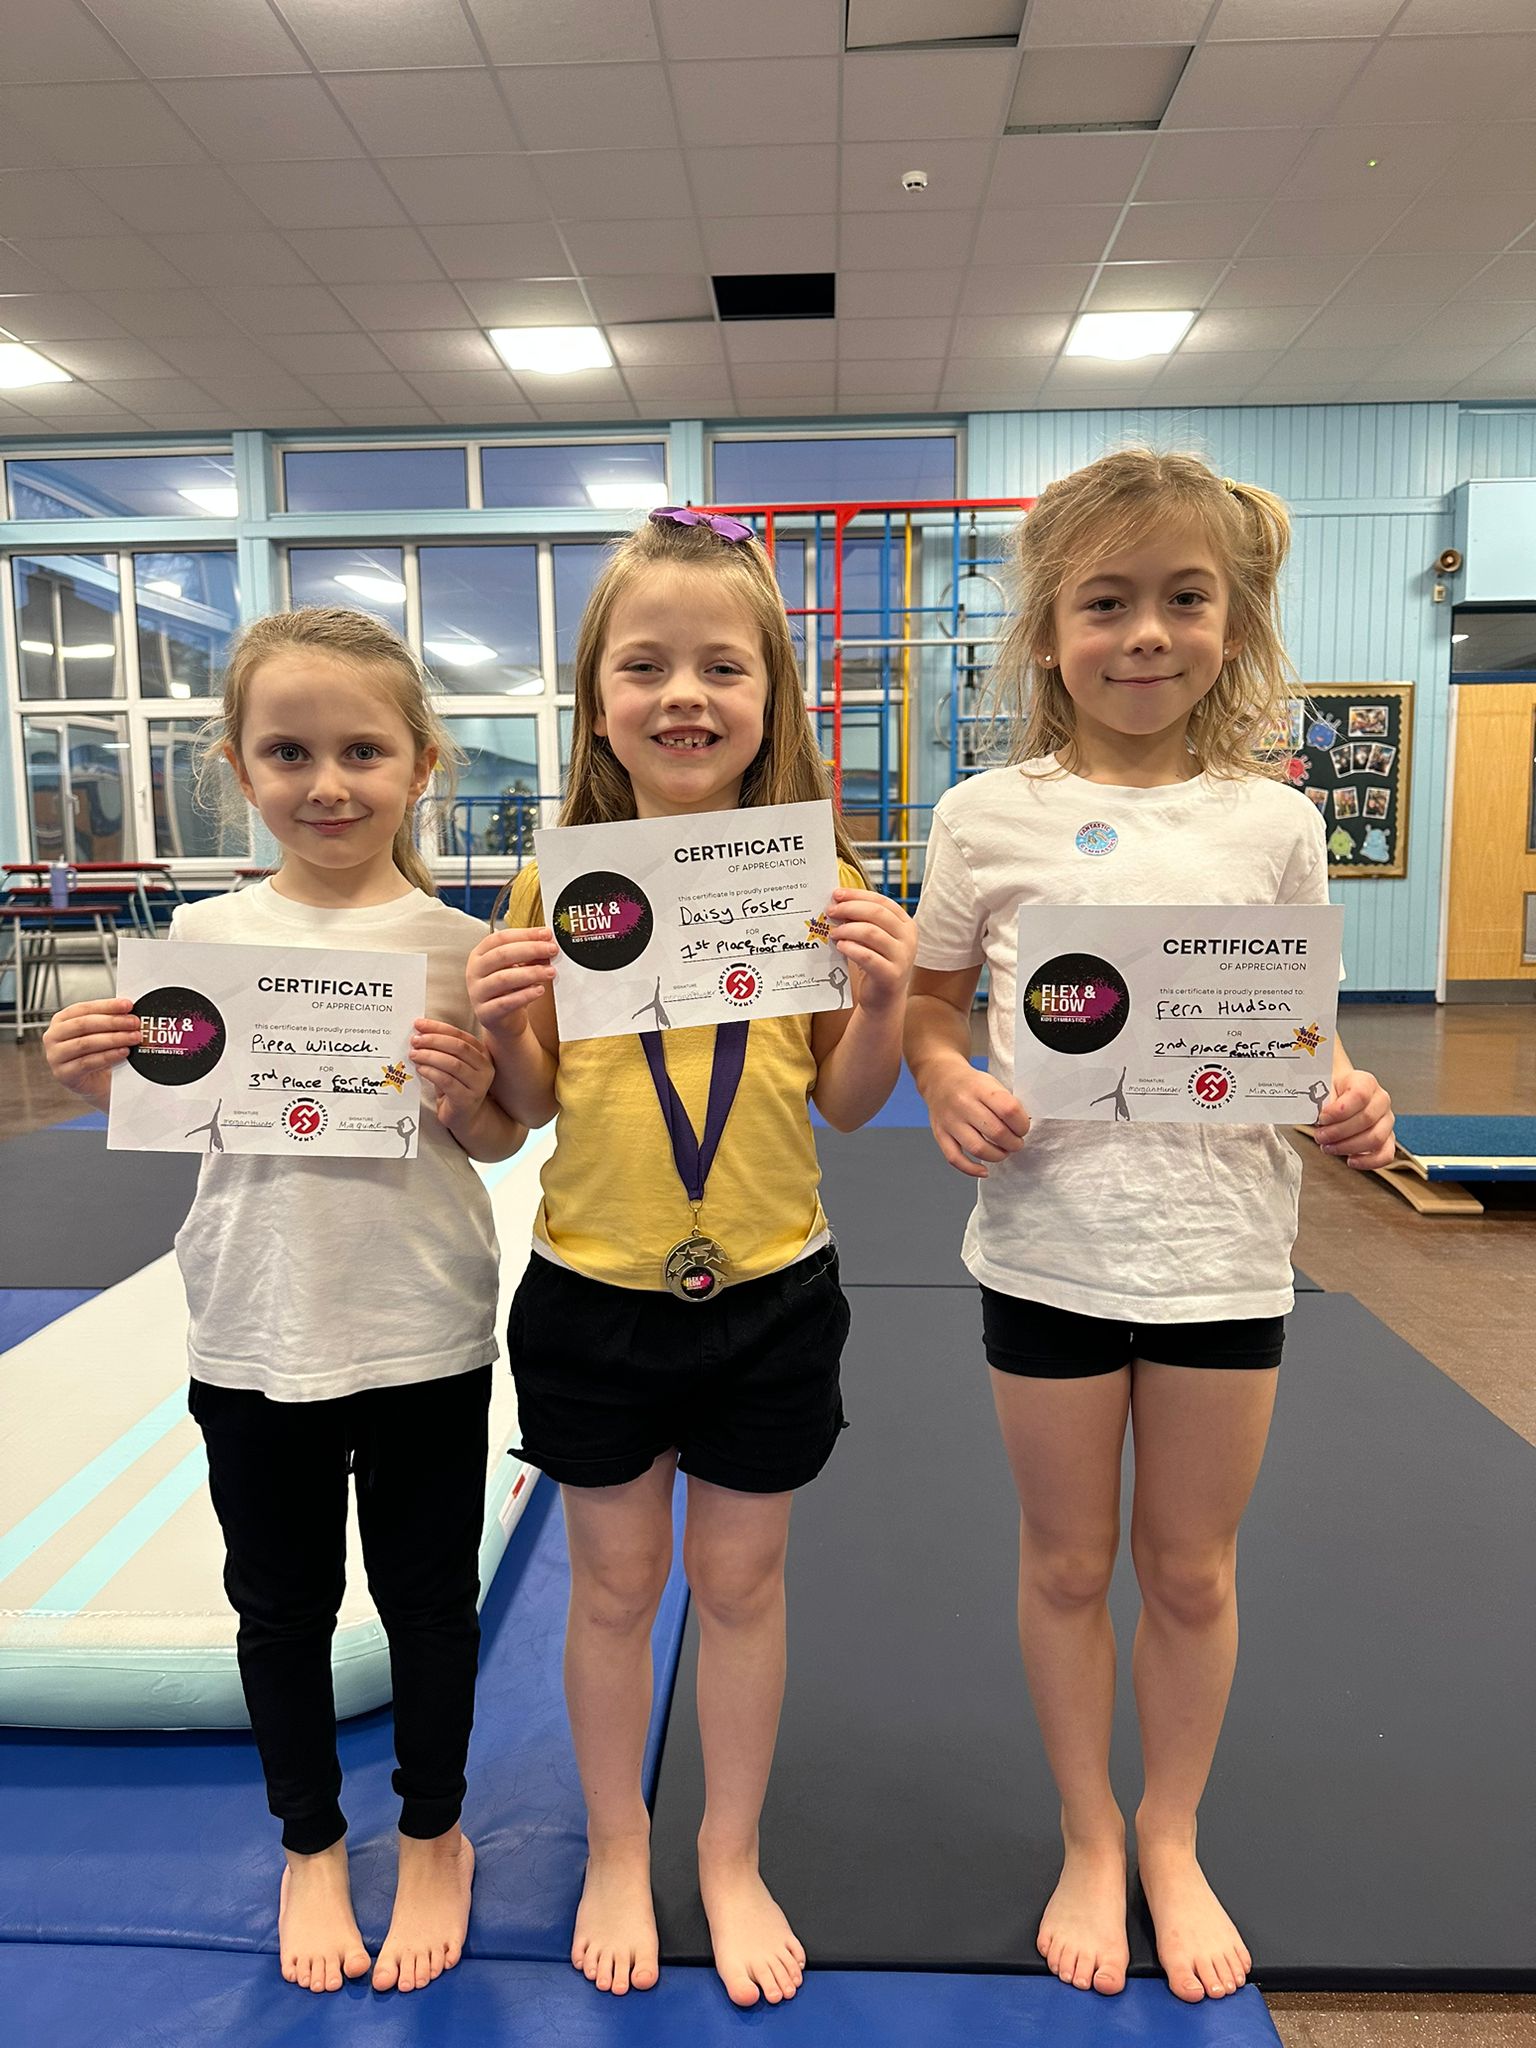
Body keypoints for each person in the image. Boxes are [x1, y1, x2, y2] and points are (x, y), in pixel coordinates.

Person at [904, 452, 1394, 2005]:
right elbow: (926, 1005)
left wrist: (1353, 1095)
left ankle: (1170, 1833)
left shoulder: (1273, 824)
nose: (1144, 635)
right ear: (1047, 628)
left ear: (1234, 624)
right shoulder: (989, 817)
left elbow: (1299, 1036)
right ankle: (1088, 1832)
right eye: (1105, 603)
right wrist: (944, 1080)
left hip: (1224, 1255)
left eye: (1184, 600)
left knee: (1190, 1571)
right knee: (1066, 1564)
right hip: (1049, 1246)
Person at [467, 509, 916, 2008]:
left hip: (775, 1288)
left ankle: (728, 1849)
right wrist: (501, 1016)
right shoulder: (556, 881)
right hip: (596, 1291)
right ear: (597, 695)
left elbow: (847, 1105)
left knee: (742, 1583)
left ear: (772, 697)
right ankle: (613, 1839)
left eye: (724, 665)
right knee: (610, 1588)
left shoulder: (818, 874)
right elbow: (526, 1108)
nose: (684, 694)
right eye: (645, 663)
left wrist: (891, 993)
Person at [43, 608, 527, 1998]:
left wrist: (468, 1093)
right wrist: (103, 1082)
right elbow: (186, 1121)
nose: (330, 782)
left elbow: (496, 1140)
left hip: (422, 1320)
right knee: (282, 1605)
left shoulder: (459, 942)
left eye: (364, 750)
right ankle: (310, 1841)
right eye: (291, 752)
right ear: (240, 770)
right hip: (253, 1325)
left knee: (431, 1602)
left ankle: (434, 1828)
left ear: (421, 764)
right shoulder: (200, 939)